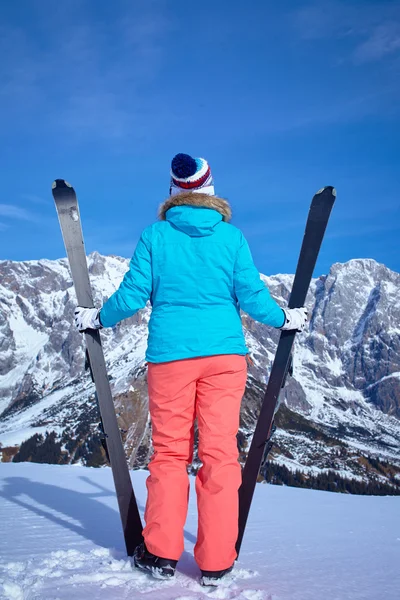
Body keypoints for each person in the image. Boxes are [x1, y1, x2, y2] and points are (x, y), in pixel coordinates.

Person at [74, 153, 308, 585]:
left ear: (173, 193)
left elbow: (132, 294)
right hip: (225, 359)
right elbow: (253, 297)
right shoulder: (231, 239)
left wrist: (98, 319)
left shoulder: (155, 237)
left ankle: (162, 553)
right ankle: (217, 560)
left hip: (170, 358)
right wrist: (284, 319)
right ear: (210, 191)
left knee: (169, 455)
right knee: (220, 455)